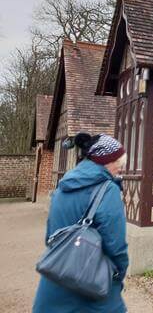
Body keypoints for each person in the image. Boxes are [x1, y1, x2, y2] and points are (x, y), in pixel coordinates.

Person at [33, 133, 129, 313]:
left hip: (55, 282)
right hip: (93, 289)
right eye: (119, 164)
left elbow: (50, 237)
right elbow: (116, 246)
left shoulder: (61, 188)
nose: (120, 170)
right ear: (106, 161)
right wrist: (118, 275)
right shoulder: (108, 190)